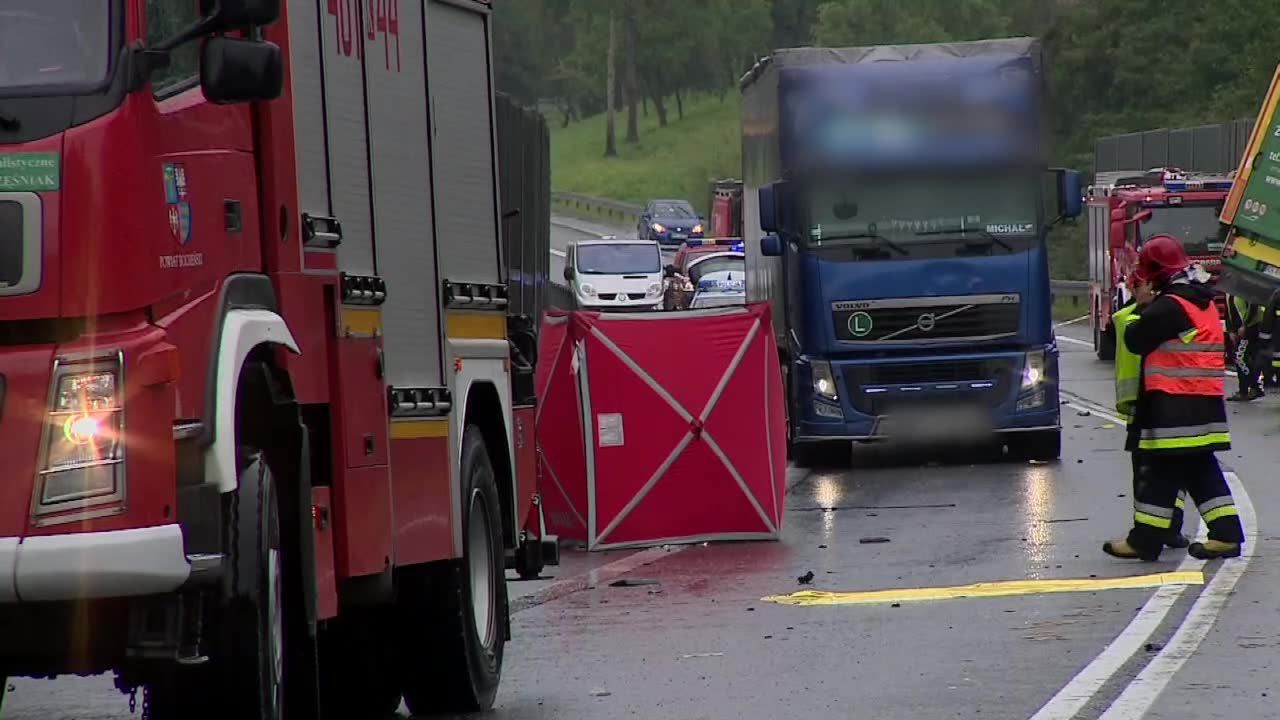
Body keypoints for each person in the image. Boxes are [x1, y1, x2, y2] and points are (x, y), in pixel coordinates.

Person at [1103, 235, 1244, 561]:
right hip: (1202, 404)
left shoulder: (1171, 305)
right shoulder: (1201, 300)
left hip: (1174, 405)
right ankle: (1225, 534)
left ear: (1155, 273)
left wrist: (1139, 306)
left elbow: (1135, 338)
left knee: (1159, 470)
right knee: (1197, 470)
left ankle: (1146, 540)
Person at [1113, 288, 1189, 552]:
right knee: (1153, 473)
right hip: (1146, 405)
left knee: (1164, 471)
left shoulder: (1157, 315)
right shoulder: (1132, 318)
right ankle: (1154, 530)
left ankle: (1162, 530)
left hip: (1158, 402)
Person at [1225, 293, 1264, 401]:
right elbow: (1228, 311)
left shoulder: (1246, 289)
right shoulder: (1229, 291)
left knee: (1240, 358)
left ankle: (1254, 387)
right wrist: (1230, 330)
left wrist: (1245, 325)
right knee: (1240, 359)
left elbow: (1253, 307)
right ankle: (1244, 390)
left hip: (1250, 328)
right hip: (1237, 329)